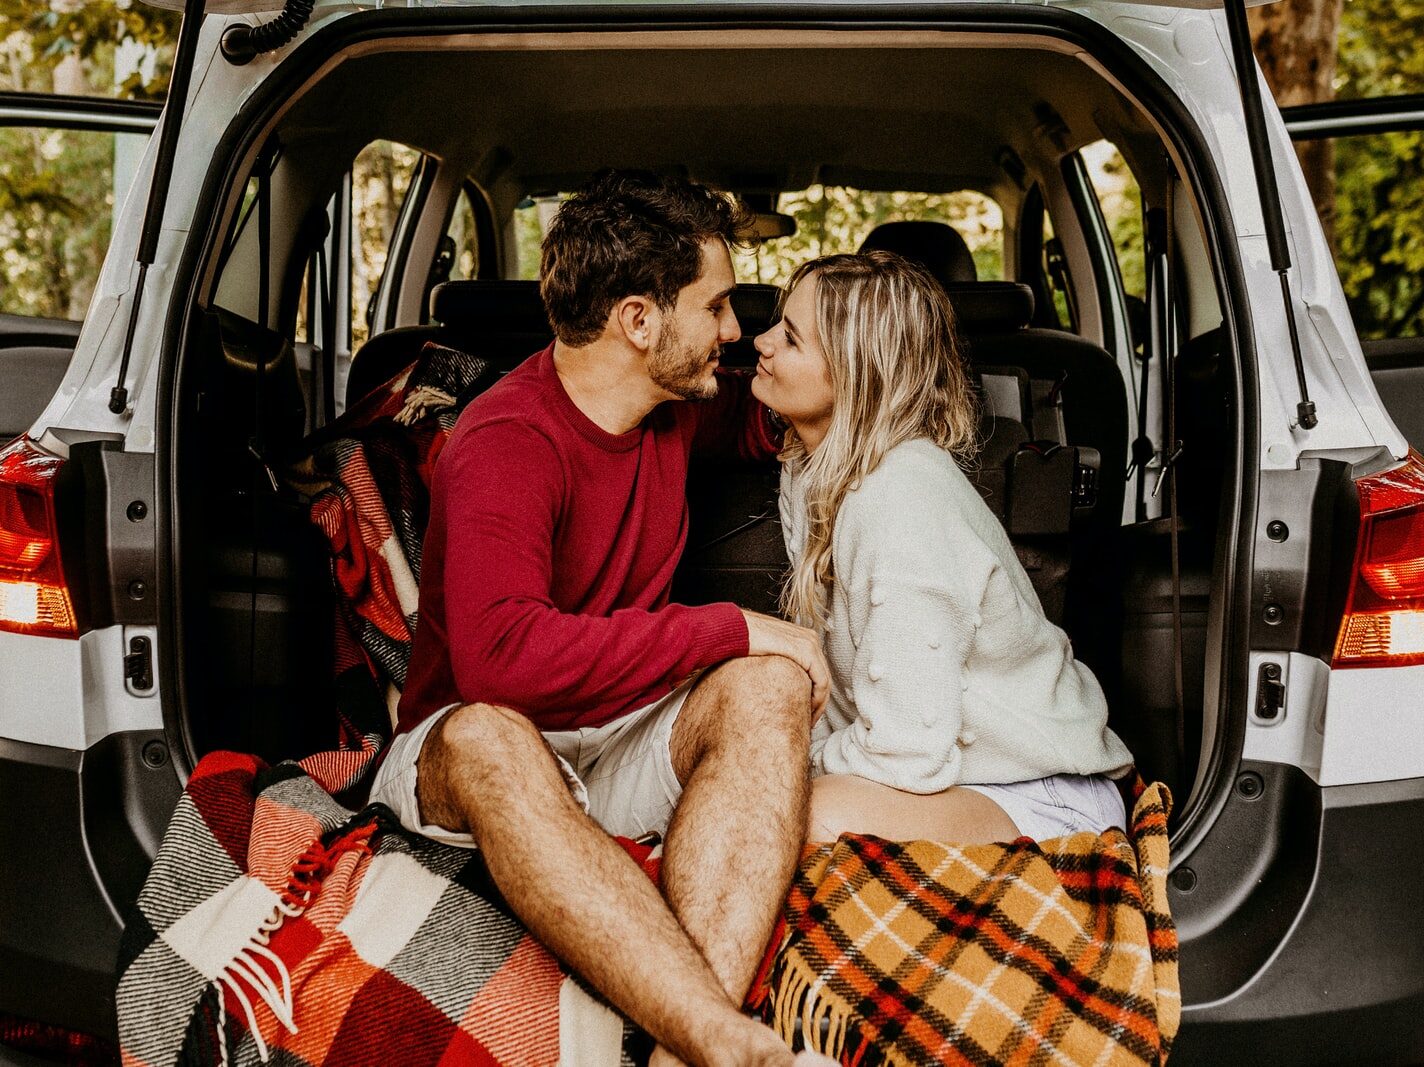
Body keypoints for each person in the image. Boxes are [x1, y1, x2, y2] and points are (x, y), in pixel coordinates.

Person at [369, 171, 832, 1067]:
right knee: (490, 737)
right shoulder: (506, 442)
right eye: (720, 306)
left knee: (768, 686)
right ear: (639, 321)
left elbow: (761, 415)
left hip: (608, 735)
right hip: (471, 752)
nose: (735, 332)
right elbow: (502, 663)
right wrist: (731, 625)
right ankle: (725, 1040)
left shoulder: (669, 406)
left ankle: (682, 1054)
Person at [750, 250, 1134, 844]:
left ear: (856, 373)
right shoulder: (810, 471)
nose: (762, 341)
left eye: (791, 338)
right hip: (945, 777)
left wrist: (781, 774)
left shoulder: (901, 499)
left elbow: (906, 754)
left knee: (786, 822)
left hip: (1041, 791)